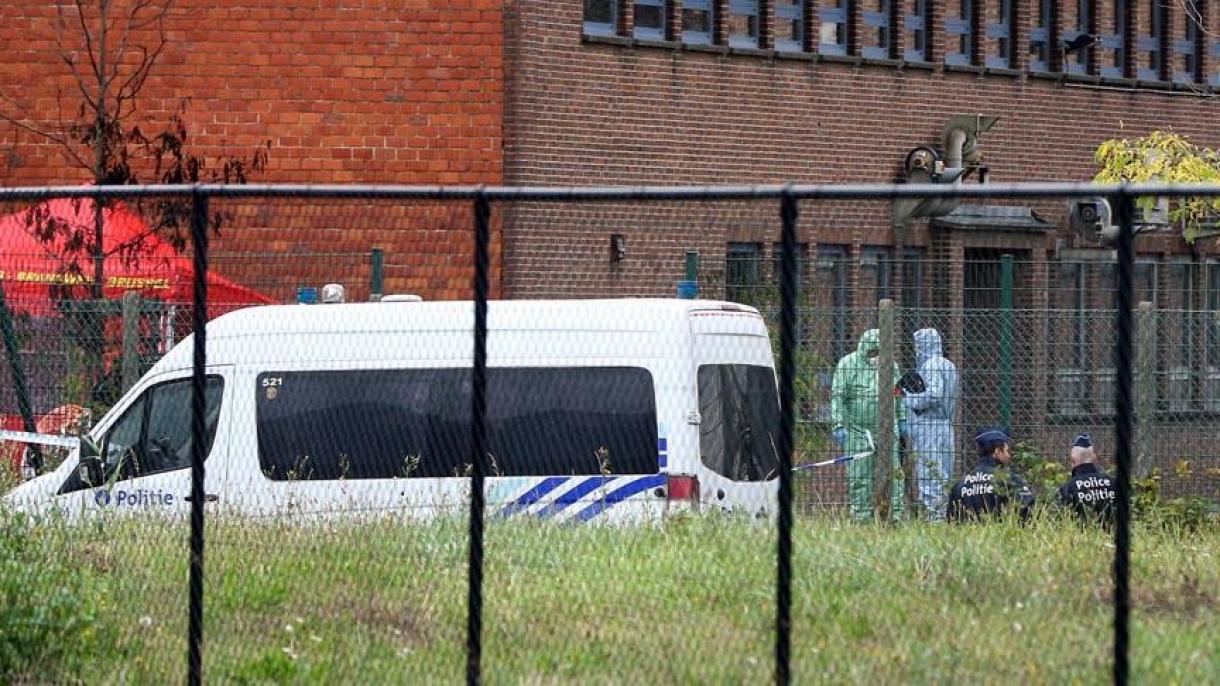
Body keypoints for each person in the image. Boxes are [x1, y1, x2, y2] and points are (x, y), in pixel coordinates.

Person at [830, 328, 907, 521]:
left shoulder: (891, 366)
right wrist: (838, 424)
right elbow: (838, 396)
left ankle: (893, 517)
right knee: (860, 476)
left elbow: (898, 396)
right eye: (872, 352)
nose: (876, 357)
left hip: (888, 429)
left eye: (879, 352)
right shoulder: (847, 365)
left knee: (894, 475)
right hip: (857, 430)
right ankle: (861, 518)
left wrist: (903, 419)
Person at [902, 328, 959, 522]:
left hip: (929, 426)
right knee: (944, 475)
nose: (916, 350)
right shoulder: (949, 365)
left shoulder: (931, 366)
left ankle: (935, 521)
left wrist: (910, 400)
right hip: (946, 426)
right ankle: (944, 516)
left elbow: (934, 394)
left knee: (929, 475)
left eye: (918, 346)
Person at [946, 428, 1035, 523]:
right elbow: (1027, 507)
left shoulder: (960, 485)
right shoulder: (1008, 479)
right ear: (997, 451)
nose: (1009, 455)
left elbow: (952, 519)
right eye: (1006, 450)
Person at [1057, 433, 1117, 527]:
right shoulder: (1113, 484)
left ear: (1072, 459)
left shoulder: (1068, 488)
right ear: (1094, 457)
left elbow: (1061, 521)